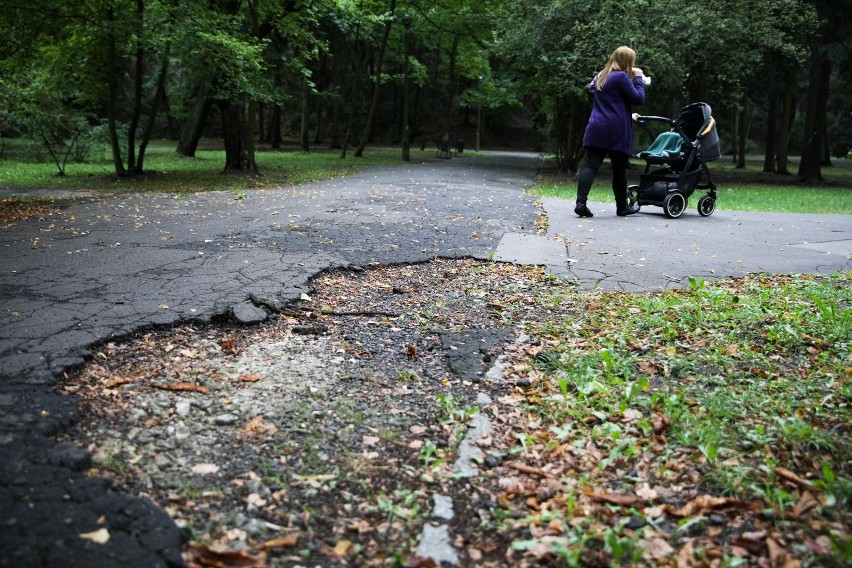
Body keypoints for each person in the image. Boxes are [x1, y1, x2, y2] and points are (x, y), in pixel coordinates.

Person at [575, 46, 647, 218]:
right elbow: (638, 98)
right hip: (615, 130)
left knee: (591, 165)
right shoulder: (621, 76)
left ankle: (580, 203)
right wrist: (638, 78)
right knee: (619, 170)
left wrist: (628, 114)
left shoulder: (601, 75)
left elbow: (611, 102)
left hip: (596, 126)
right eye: (632, 61)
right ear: (627, 62)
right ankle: (622, 207)